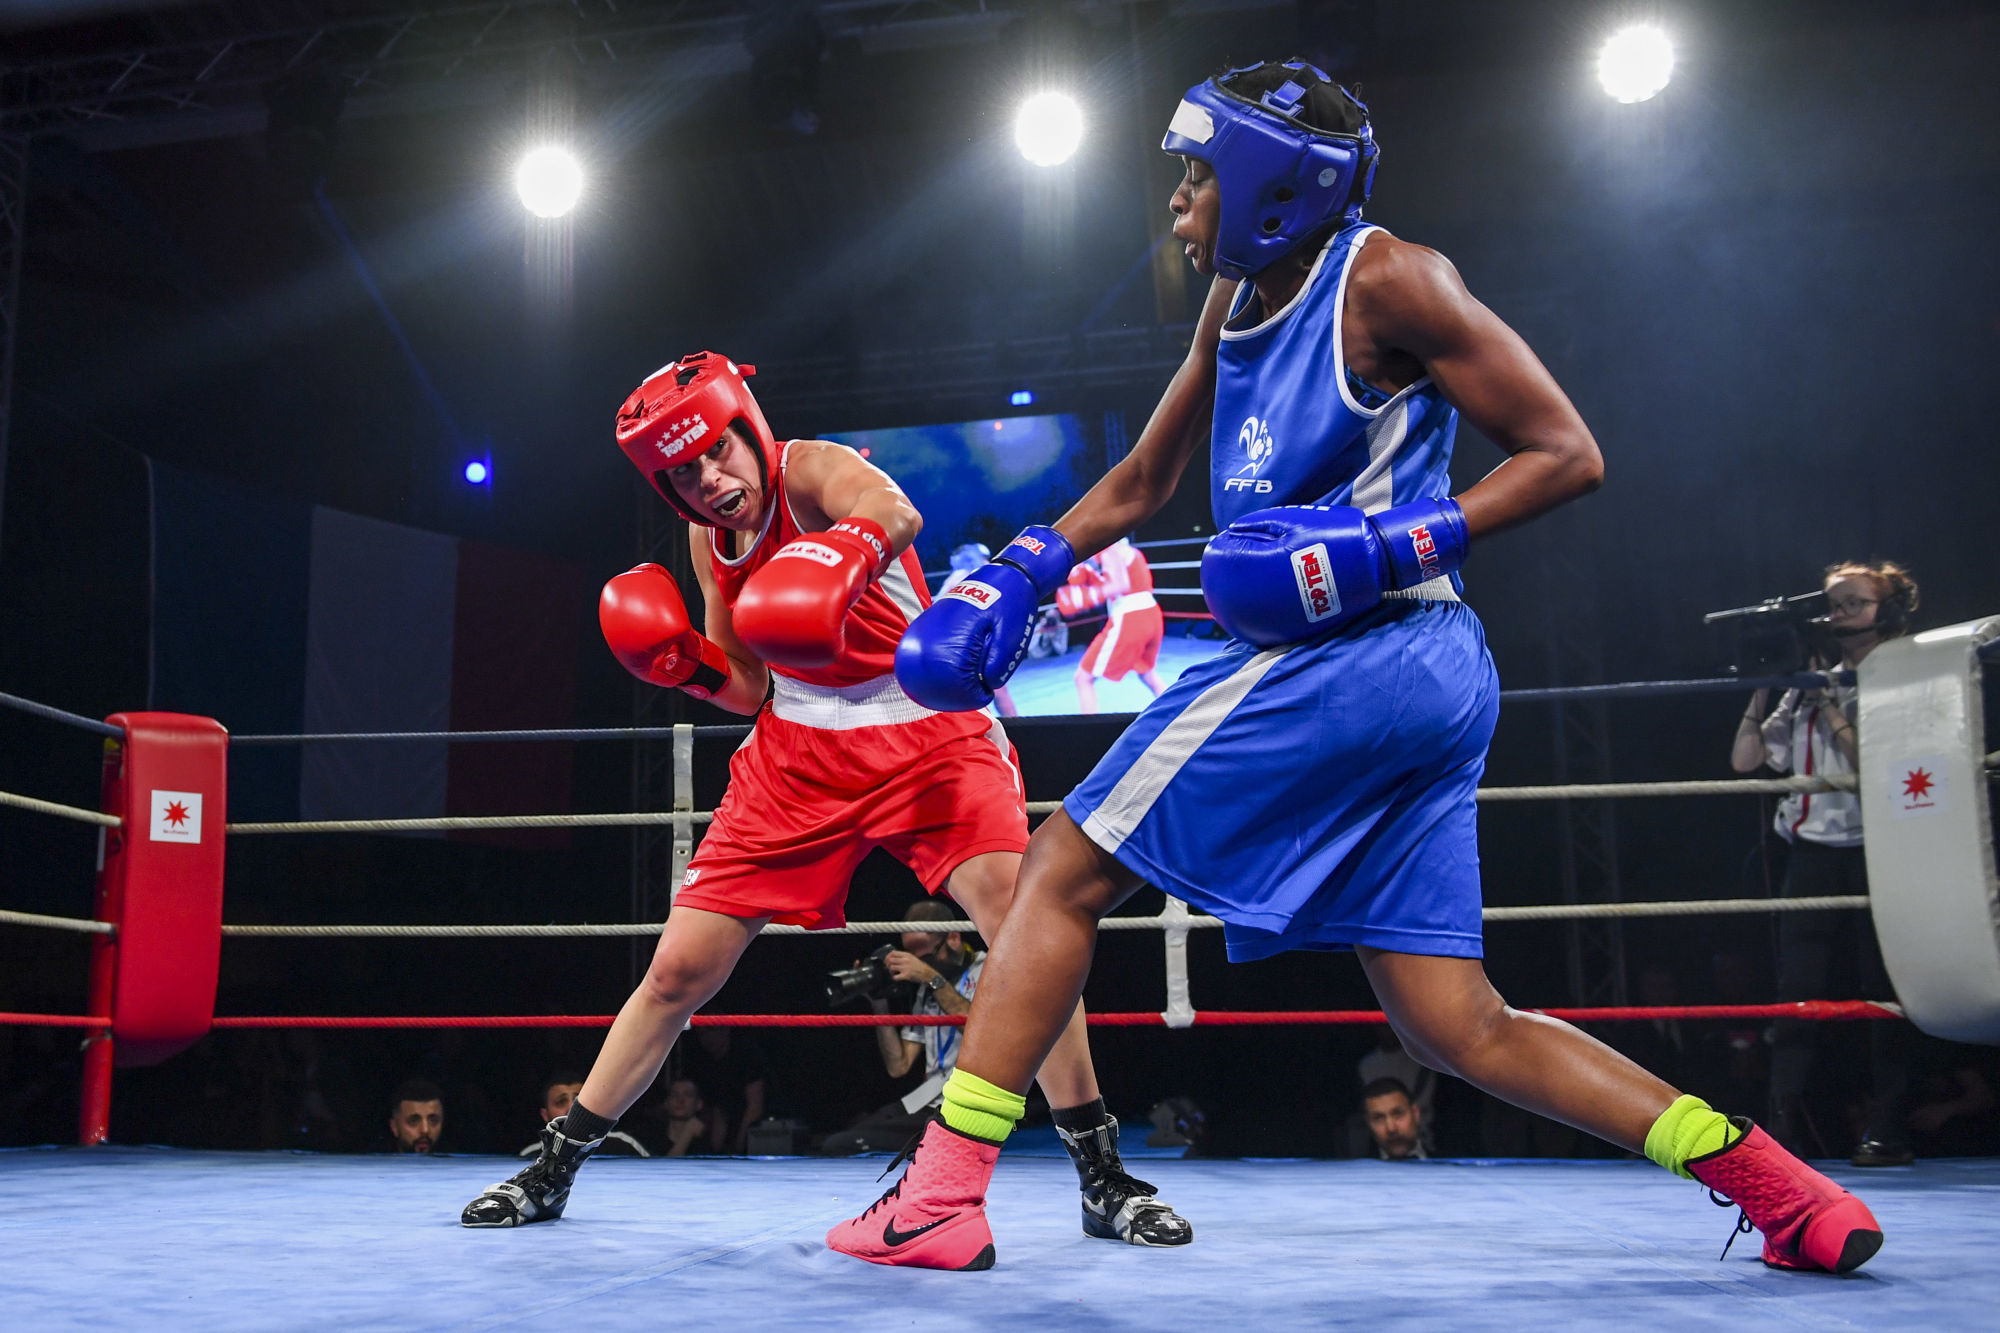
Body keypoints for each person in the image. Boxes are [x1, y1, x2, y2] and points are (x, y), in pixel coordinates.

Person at [831, 61, 1881, 1275]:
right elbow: (1139, 481)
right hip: (1414, 680)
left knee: (1058, 867)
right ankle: (1776, 1183)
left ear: (1273, 184)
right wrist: (1017, 569)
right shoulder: (1231, 295)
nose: (1176, 191)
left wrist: (1392, 541)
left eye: (1197, 169)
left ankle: (939, 1193)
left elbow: (1565, 451)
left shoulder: (1388, 276)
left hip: (1357, 651)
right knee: (1456, 1025)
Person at [460, 352, 1189, 1251]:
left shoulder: (810, 473)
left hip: (923, 730)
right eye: (683, 473)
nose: (711, 482)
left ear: (748, 429)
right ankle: (552, 1168)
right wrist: (682, 663)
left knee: (1022, 923)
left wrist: (831, 553)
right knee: (679, 970)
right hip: (798, 751)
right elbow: (749, 678)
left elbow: (895, 510)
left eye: (718, 455)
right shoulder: (707, 539)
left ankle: (1102, 1173)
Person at [1732, 559, 1917, 1166]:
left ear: (1884, 610)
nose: (1837, 615)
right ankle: (1779, 1130)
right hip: (1812, 847)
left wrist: (1832, 705)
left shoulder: (1904, 677)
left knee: (1882, 990)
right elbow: (1746, 759)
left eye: (1853, 603)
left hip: (1882, 848)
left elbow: (1871, 767)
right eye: (1832, 604)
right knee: (1796, 992)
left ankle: (1888, 1127)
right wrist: (1767, 686)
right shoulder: (1819, 679)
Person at [821, 901, 985, 1155]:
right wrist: (879, 1003)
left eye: (926, 958)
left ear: (953, 937)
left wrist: (930, 977)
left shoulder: (987, 970)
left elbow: (984, 1038)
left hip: (967, 1101)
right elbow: (899, 1066)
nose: (919, 966)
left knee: (844, 1145)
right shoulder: (928, 990)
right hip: (928, 1096)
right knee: (838, 1136)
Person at [1056, 538, 1167, 713]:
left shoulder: (1110, 549)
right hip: (1151, 614)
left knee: (1083, 678)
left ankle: (1089, 731)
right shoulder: (1128, 551)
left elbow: (1120, 584)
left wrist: (1085, 597)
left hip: (1131, 617)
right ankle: (1177, 713)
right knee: (1147, 673)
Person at [523, 1072, 649, 1157]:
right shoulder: (531, 1156)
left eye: (579, 1100)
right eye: (561, 1102)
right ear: (545, 1115)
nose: (572, 1108)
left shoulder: (624, 1145)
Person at [1361, 1078, 1425, 1161]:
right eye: (1378, 1118)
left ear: (1415, 1114)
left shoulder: (1445, 1162)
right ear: (1368, 1123)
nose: (1391, 1128)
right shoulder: (1353, 1171)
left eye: (1398, 1114)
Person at [388, 1079, 445, 1155]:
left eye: (433, 1121)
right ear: (394, 1126)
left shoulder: (459, 1164)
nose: (425, 1130)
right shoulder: (374, 1164)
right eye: (413, 1121)